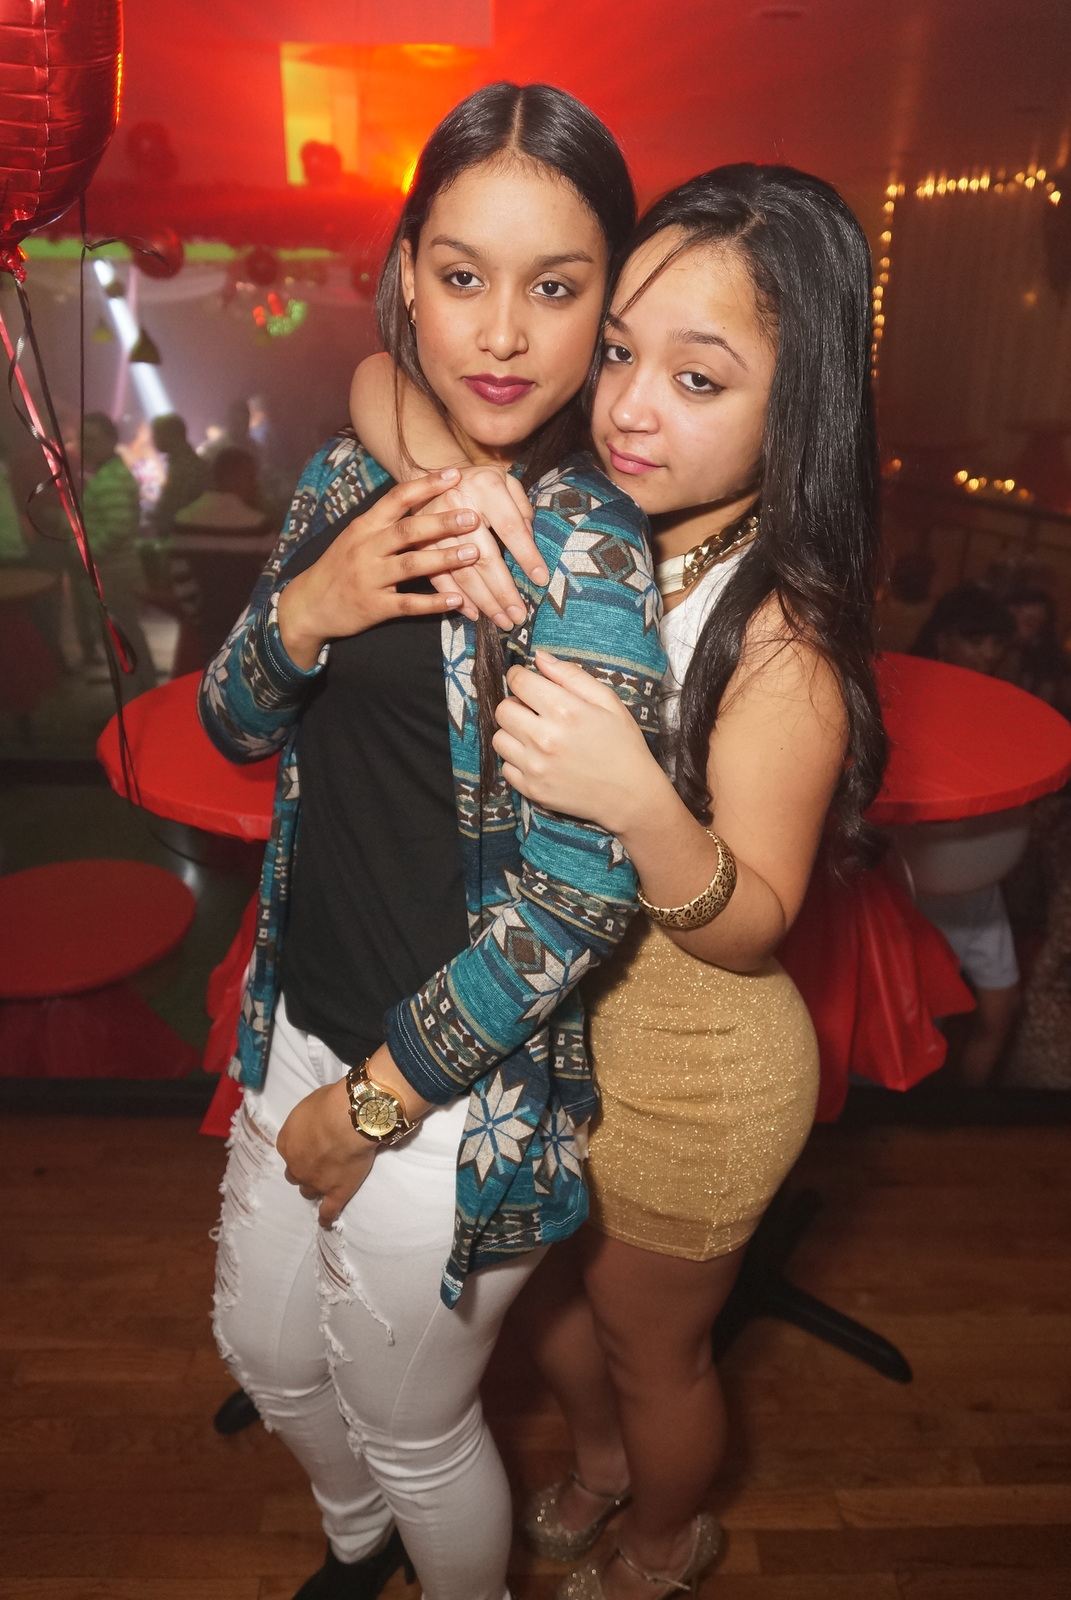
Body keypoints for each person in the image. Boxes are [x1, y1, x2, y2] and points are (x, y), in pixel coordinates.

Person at [350, 163, 885, 1599]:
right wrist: (464, 474)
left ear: (799, 408)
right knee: (550, 1316)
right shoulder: (593, 508)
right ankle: (595, 1465)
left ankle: (663, 1536)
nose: (631, 407)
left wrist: (636, 797)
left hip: (696, 1065)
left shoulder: (782, 637)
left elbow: (755, 924)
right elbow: (377, 379)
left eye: (697, 379)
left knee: (656, 1350)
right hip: (554, 1027)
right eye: (620, 353)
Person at [199, 84, 665, 1600]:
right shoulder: (352, 473)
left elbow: (580, 896)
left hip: (455, 1092)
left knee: (414, 1425)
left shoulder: (583, 548)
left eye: (556, 287)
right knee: (266, 1350)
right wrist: (308, 611)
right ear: (406, 273)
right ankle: (357, 1550)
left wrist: (381, 1100)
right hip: (296, 1015)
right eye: (462, 276)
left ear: (607, 302)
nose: (502, 334)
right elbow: (229, 722)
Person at [169, 447, 273, 667]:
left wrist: (196, 615)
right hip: (248, 625)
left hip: (207, 622)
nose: (255, 484)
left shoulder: (184, 521)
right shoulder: (257, 525)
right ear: (237, 477)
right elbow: (272, 578)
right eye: (251, 476)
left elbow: (180, 577)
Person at [79, 412, 157, 699]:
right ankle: (145, 691)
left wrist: (86, 553)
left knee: (120, 637)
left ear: (111, 440)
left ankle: (132, 699)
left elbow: (117, 528)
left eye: (93, 439)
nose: (87, 445)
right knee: (128, 633)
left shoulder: (109, 479)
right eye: (84, 439)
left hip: (113, 571)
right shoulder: (112, 472)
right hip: (119, 568)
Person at [150, 412, 210, 541]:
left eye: (156, 434)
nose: (153, 440)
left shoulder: (184, 467)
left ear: (172, 435)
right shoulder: (187, 463)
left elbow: (175, 509)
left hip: (185, 540)